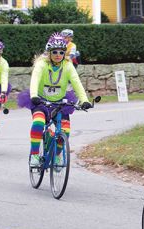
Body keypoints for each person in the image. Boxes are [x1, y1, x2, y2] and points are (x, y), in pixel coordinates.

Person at [17, 33, 91, 167]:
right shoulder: (41, 64)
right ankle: (34, 156)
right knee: (38, 123)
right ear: (49, 53)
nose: (58, 54)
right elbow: (35, 79)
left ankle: (57, 157)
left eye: (62, 52)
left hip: (61, 102)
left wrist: (84, 100)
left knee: (65, 131)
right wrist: (34, 95)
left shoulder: (68, 66)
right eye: (55, 52)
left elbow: (76, 83)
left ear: (65, 53)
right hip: (40, 101)